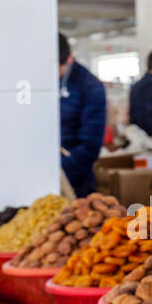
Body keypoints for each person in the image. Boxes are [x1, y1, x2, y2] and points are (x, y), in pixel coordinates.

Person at [58, 33, 107, 198]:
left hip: (74, 182)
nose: (56, 74)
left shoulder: (90, 87)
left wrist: (57, 172)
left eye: (59, 68)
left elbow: (90, 147)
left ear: (69, 58)